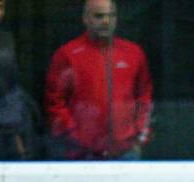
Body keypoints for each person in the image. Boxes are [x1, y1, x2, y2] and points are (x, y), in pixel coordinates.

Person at [44, 0, 152, 160]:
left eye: (111, 16)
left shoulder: (133, 53)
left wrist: (139, 135)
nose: (106, 21)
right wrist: (74, 136)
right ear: (85, 18)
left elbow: (144, 97)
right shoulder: (68, 54)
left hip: (125, 151)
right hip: (80, 153)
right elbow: (55, 102)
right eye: (99, 16)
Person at [0, 0, 40, 160]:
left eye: (0, 8)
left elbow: (14, 86)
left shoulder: (7, 40)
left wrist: (17, 134)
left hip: (6, 127)